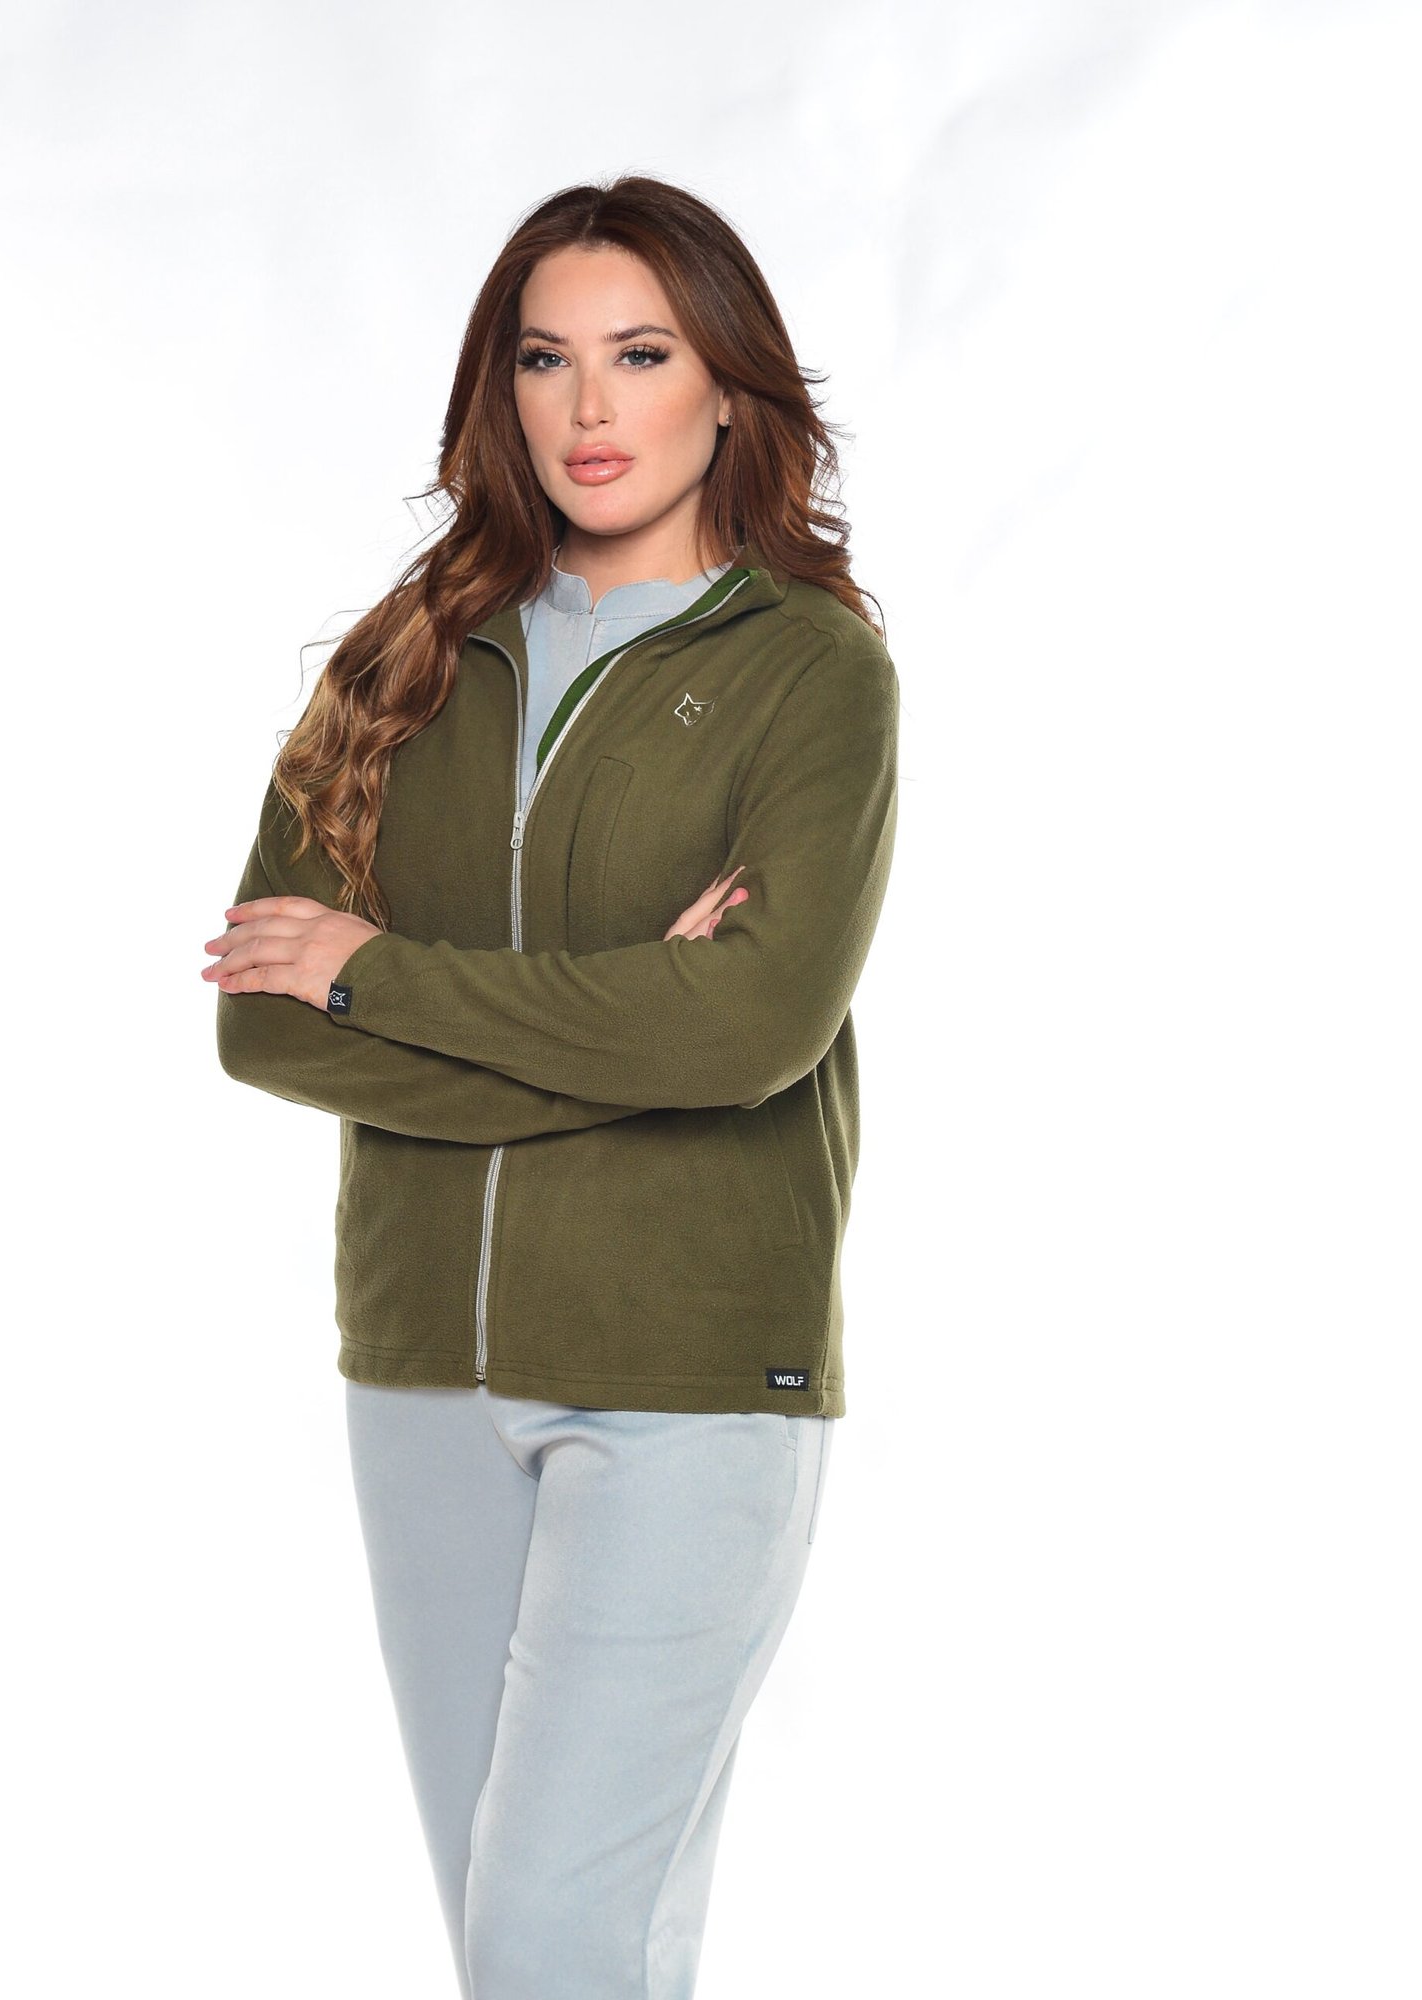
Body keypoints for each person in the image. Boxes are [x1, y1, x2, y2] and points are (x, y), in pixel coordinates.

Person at [202, 174, 900, 2000]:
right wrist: (630, 1031)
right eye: (544, 359)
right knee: (527, 1949)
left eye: (642, 356)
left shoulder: (808, 672)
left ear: (728, 389)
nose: (589, 407)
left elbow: (747, 1033)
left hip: (688, 1377)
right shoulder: (405, 661)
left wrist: (385, 976)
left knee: (552, 1942)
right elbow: (266, 1025)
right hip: (420, 1366)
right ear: (498, 390)